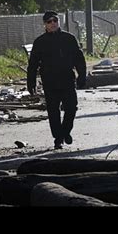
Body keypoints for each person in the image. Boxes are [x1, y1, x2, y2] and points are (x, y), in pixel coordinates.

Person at [27, 11, 86, 149]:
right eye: (49, 21)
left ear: (59, 22)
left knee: (71, 108)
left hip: (67, 79)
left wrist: (82, 75)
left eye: (55, 20)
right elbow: (33, 64)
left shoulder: (68, 38)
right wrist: (31, 81)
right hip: (50, 81)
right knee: (53, 111)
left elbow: (79, 58)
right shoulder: (40, 42)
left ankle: (65, 131)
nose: (53, 23)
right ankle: (58, 138)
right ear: (45, 25)